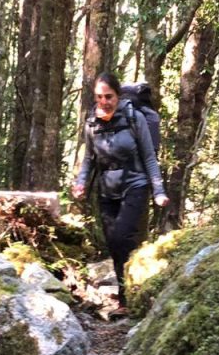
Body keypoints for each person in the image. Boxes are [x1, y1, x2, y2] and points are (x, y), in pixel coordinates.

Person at [71, 72, 169, 312]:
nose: (103, 101)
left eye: (109, 96)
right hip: (106, 189)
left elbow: (149, 156)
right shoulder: (92, 123)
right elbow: (89, 160)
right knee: (113, 245)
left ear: (118, 95)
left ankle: (130, 294)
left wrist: (158, 191)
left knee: (121, 237)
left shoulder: (135, 119)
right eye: (99, 97)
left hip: (135, 184)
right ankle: (126, 295)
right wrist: (82, 182)